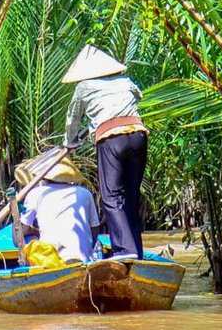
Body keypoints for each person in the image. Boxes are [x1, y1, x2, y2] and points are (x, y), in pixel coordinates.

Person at [61, 45, 148, 260]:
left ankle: (125, 251)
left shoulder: (84, 86)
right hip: (138, 135)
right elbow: (138, 97)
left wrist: (69, 142)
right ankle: (136, 250)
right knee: (131, 196)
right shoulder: (125, 81)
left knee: (112, 197)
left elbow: (73, 119)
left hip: (111, 139)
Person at [14, 156, 102, 263]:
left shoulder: (36, 193)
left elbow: (19, 234)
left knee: (28, 239)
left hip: (51, 258)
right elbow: (94, 228)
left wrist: (31, 230)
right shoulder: (85, 193)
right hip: (83, 257)